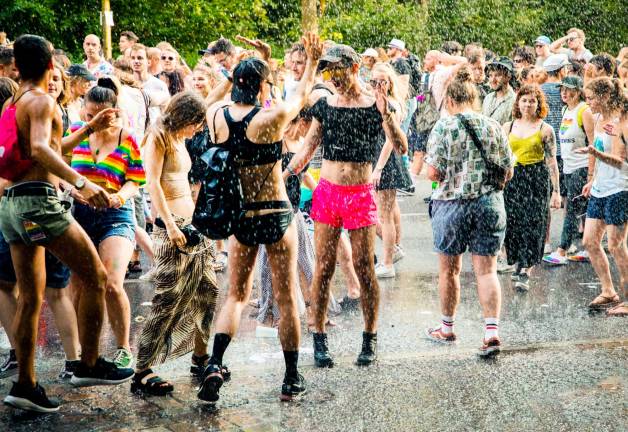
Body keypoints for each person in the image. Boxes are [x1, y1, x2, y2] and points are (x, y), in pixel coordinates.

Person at [0, 34, 133, 413]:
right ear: (50, 65)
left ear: (16, 67)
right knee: (96, 278)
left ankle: (26, 385)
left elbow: (45, 148)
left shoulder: (13, 102)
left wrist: (88, 130)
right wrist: (83, 183)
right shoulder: (42, 101)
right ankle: (89, 364)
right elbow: (42, 149)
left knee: (30, 299)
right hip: (40, 204)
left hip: (12, 205)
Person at [198, 34, 322, 404]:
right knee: (286, 299)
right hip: (275, 214)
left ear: (235, 82)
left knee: (236, 295)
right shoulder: (272, 117)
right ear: (264, 86)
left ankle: (216, 364)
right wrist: (312, 61)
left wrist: (233, 69)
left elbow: (211, 98)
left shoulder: (216, 115)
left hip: (241, 215)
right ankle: (291, 378)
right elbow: (301, 94)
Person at [285, 43, 408, 368]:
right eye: (328, 71)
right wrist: (284, 173)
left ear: (354, 68)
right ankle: (319, 336)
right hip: (328, 193)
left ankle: (370, 335)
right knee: (324, 268)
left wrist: (387, 117)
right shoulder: (324, 105)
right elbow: (308, 147)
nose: (332, 76)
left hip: (359, 195)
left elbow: (401, 146)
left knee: (365, 268)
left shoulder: (374, 106)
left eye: (338, 70)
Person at [132, 91, 221, 395]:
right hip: (171, 230)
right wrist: (170, 224)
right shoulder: (158, 136)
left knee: (207, 291)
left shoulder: (179, 136)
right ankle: (141, 370)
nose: (199, 129)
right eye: (196, 122)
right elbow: (152, 181)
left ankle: (200, 357)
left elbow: (209, 98)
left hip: (193, 228)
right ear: (183, 117)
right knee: (167, 299)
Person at [423, 66, 513, 357]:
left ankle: (447, 328)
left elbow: (433, 173)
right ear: (473, 99)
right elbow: (508, 171)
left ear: (449, 100)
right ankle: (491, 332)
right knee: (486, 271)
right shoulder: (491, 126)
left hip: (451, 205)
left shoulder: (444, 127)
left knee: (449, 271)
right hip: (489, 204)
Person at [69, 77, 146, 368]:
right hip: (80, 215)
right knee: (79, 287)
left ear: (114, 112)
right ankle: (82, 353)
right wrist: (73, 190)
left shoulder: (126, 138)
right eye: (90, 116)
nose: (95, 122)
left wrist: (119, 197)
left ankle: (124, 347)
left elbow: (135, 181)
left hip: (115, 215)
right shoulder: (75, 132)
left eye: (101, 116)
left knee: (112, 283)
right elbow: (58, 169)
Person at [502, 85, 561, 291]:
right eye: (524, 100)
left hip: (536, 177)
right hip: (513, 178)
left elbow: (552, 162)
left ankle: (526, 269)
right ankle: (518, 262)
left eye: (532, 101)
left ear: (539, 105)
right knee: (513, 222)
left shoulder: (545, 129)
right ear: (518, 102)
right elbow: (503, 157)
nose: (528, 104)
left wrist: (556, 191)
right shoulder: (508, 127)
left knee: (533, 223)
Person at [577, 78, 627, 310]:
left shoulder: (622, 122)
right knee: (589, 241)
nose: (588, 103)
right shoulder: (596, 118)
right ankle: (609, 291)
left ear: (606, 96)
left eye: (592, 98)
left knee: (616, 245)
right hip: (600, 189)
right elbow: (596, 153)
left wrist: (595, 153)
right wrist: (592, 179)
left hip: (620, 188)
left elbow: (618, 161)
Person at [543, 76, 594, 265]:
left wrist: (591, 173)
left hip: (582, 166)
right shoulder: (566, 109)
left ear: (579, 90)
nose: (564, 92)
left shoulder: (584, 111)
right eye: (562, 89)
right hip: (568, 166)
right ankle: (589, 248)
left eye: (569, 89)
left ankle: (562, 250)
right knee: (583, 208)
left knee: (573, 208)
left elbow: (593, 142)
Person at [370, 62, 411, 278]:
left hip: (385, 160)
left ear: (389, 83)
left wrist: (378, 168)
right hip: (383, 159)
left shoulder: (391, 105)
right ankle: (394, 250)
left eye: (381, 81)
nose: (377, 85)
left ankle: (388, 260)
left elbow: (389, 141)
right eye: (373, 81)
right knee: (390, 208)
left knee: (383, 214)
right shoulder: (381, 101)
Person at [129, 44, 170, 124]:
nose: (136, 61)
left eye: (140, 58)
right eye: (133, 58)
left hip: (152, 131)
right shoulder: (124, 85)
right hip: (131, 132)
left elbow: (166, 113)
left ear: (148, 62)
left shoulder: (159, 85)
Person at [482, 57, 516, 125]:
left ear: (508, 76)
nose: (493, 80)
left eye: (497, 75)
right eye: (490, 75)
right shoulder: (488, 98)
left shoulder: (515, 101)